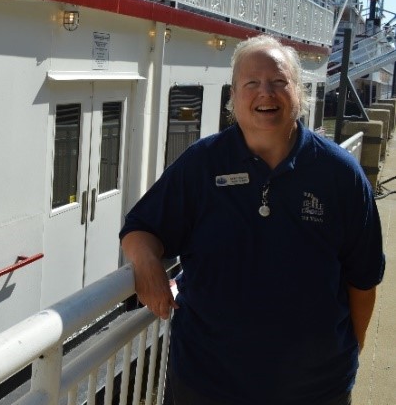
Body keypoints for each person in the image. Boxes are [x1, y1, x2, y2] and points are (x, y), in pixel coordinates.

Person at [120, 35, 385, 405]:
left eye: (279, 81)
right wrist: (146, 261)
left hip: (314, 390)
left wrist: (346, 355)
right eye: (252, 83)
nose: (266, 93)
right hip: (207, 385)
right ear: (234, 95)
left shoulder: (340, 174)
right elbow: (141, 228)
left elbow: (363, 281)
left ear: (298, 92)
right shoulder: (202, 164)